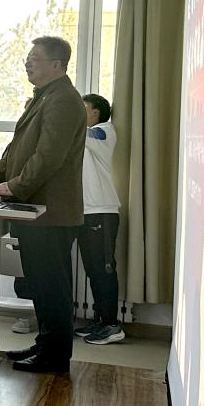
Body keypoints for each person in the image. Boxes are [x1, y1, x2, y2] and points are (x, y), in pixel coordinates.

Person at [0, 36, 86, 374]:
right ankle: (45, 344)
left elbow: (48, 156)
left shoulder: (64, 100)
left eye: (35, 58)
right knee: (40, 284)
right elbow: (18, 149)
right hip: (35, 211)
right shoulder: (44, 97)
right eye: (27, 58)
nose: (28, 63)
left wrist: (15, 186)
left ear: (57, 65)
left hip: (50, 212)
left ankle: (55, 356)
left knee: (51, 286)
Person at [74, 93, 124, 346]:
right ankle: (101, 321)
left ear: (96, 112)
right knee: (93, 270)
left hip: (102, 211)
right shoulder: (86, 138)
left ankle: (112, 325)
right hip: (86, 211)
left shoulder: (104, 131)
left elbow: (81, 133)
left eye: (82, 108)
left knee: (104, 269)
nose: (77, 112)